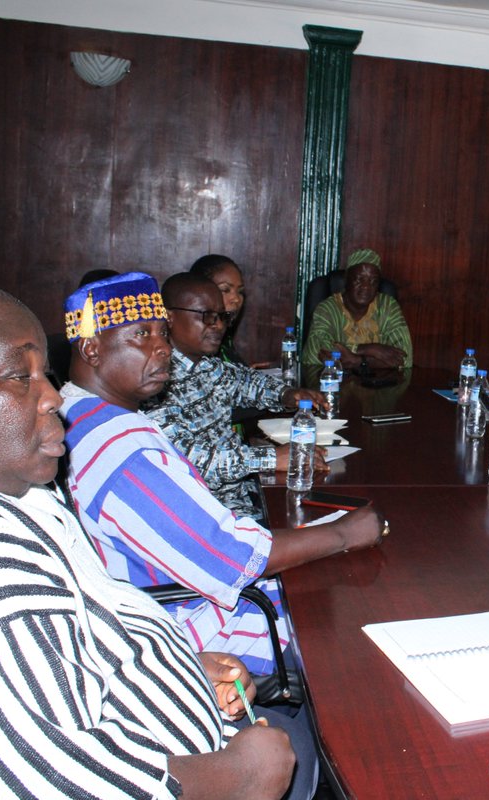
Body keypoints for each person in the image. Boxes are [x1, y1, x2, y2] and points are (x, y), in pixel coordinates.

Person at [0, 278, 295, 799]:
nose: (53, 396)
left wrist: (177, 662)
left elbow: (76, 627)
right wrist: (242, 776)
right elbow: (48, 784)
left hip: (181, 712)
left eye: (44, 375)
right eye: (18, 377)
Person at [60, 272, 387, 680]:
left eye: (162, 334)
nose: (162, 348)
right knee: (357, 605)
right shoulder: (123, 452)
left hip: (174, 582)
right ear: (91, 349)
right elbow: (237, 558)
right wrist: (344, 532)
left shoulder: (78, 413)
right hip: (183, 625)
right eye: (142, 335)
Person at [144, 273, 325, 519]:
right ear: (169, 317)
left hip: (242, 496)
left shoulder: (206, 365)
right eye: (207, 316)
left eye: (222, 317)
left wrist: (286, 394)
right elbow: (188, 461)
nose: (218, 325)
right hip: (209, 516)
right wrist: (271, 458)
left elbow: (245, 381)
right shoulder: (152, 381)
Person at [301, 248, 413, 371]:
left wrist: (358, 361)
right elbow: (315, 353)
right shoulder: (327, 308)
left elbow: (405, 359)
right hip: (335, 385)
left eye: (373, 281)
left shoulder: (388, 306)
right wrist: (371, 349)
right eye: (359, 279)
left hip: (379, 386)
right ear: (346, 280)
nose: (366, 286)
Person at [191, 254, 248, 364]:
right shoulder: (198, 340)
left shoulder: (225, 339)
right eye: (225, 290)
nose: (236, 299)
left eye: (240, 292)